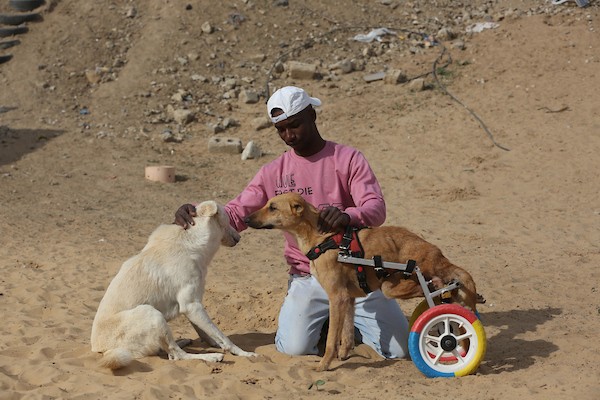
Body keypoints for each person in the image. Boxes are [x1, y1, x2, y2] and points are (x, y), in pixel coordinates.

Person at [174, 86, 410, 359]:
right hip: (308, 275)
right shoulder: (273, 173)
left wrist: (348, 216)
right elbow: (237, 214)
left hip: (359, 274)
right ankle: (324, 325)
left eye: (294, 125)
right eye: (281, 129)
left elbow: (375, 208)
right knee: (293, 348)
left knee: (399, 350)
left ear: (312, 115)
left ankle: (347, 324)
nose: (289, 135)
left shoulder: (348, 159)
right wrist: (196, 214)